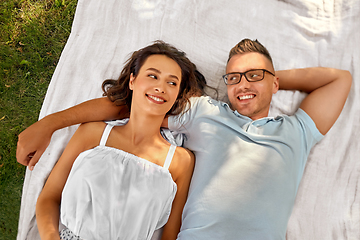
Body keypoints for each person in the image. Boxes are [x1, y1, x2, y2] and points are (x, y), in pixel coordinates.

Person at [19, 39, 352, 239]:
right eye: (234, 77)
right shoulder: (205, 111)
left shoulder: (296, 132)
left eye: (254, 76)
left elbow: (339, 80)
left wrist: (271, 77)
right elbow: (133, 104)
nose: (243, 85)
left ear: (275, 83)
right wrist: (50, 123)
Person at [35, 41, 200, 240]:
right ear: (132, 81)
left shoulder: (180, 161)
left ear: (177, 95)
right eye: (152, 76)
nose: (160, 87)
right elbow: (49, 197)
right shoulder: (93, 133)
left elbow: (170, 235)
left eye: (172, 82)